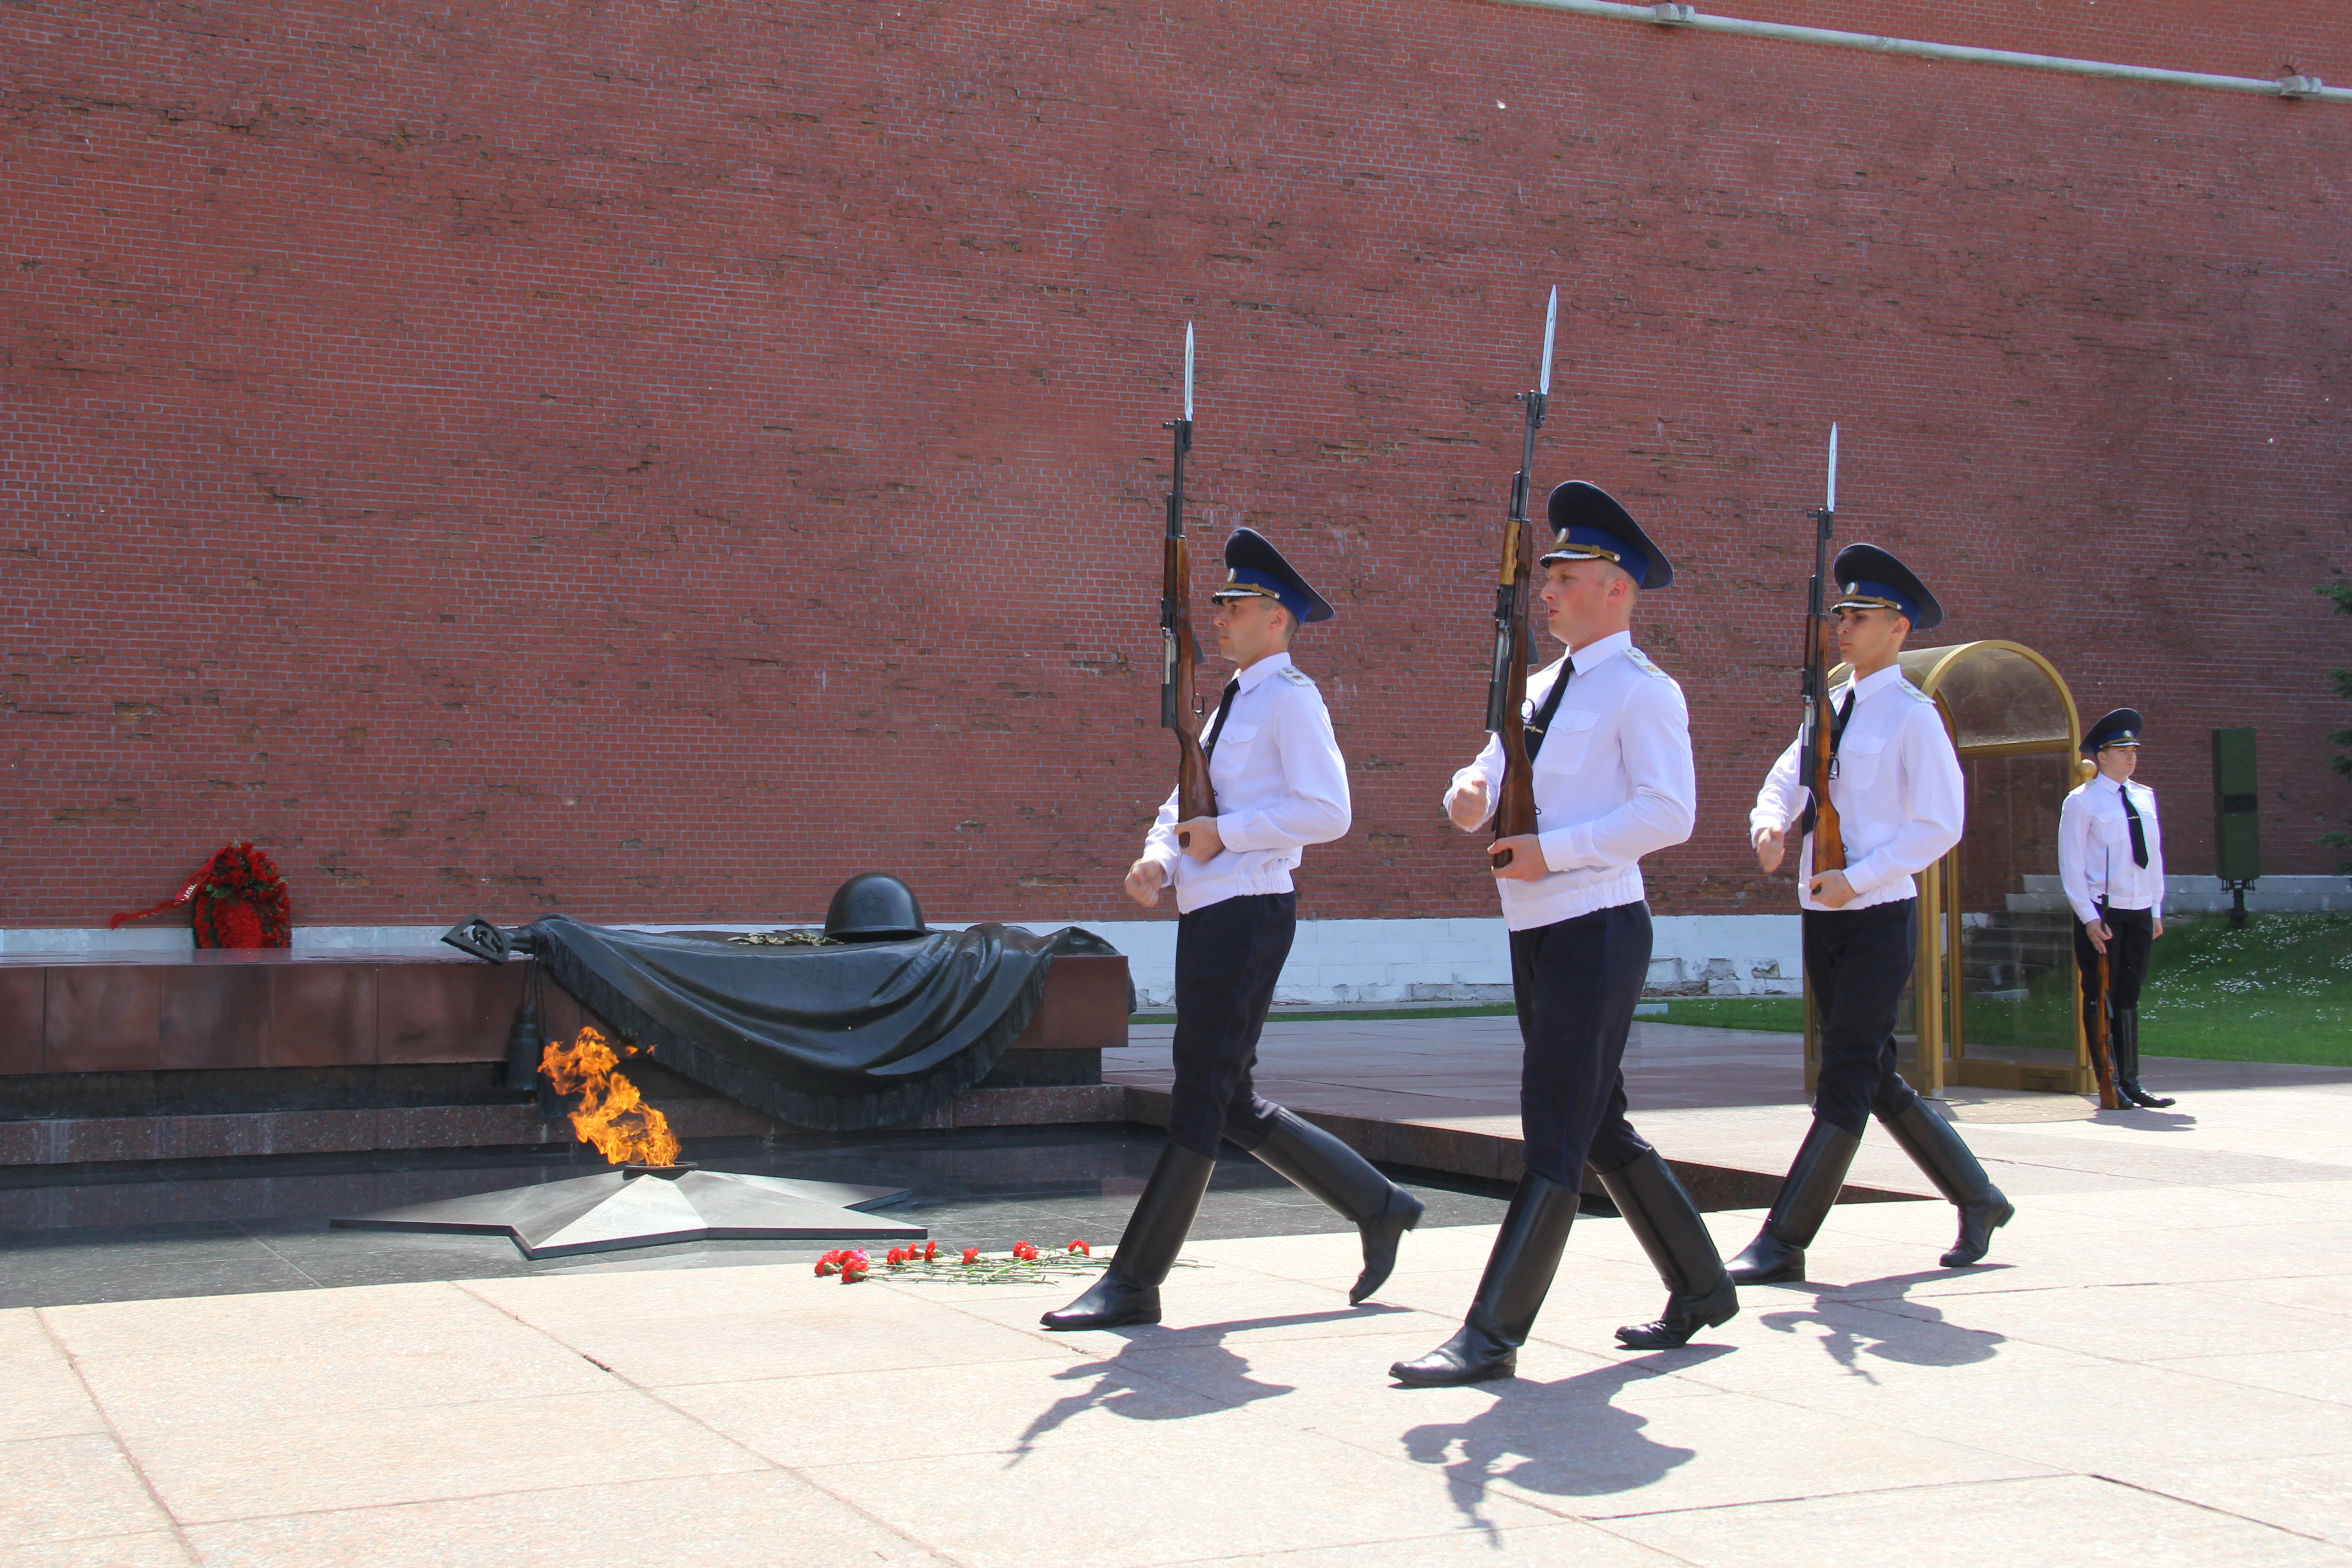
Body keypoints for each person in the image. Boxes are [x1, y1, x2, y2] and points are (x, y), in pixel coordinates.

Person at [1390, 481, 1735, 1388]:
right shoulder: (1538, 688)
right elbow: (1486, 778)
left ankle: (1491, 1333)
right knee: (1597, 1120)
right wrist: (1465, 797)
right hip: (1537, 927)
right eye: (1546, 579)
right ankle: (1703, 1285)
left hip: (1599, 927)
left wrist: (1559, 853)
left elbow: (1670, 812)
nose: (1547, 594)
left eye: (1566, 578)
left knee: (1553, 1126)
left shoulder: (1643, 691)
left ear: (1616, 588)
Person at [1043, 528, 1422, 1331]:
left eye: (1232, 603)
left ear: (1276, 618)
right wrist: (1158, 858)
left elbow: (1328, 811)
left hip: (1249, 912)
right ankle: (1377, 1204)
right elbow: (1186, 806)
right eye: (1216, 602)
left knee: (1198, 1095)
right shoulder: (1228, 705)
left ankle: (1135, 1280)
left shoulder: (1291, 699)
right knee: (1229, 1100)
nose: (1217, 615)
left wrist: (1230, 835)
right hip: (1210, 911)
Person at [1732, 544, 2012, 1285]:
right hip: (1821, 910)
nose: (1842, 627)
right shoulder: (1831, 705)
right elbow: (1789, 775)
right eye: (1840, 615)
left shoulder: (1913, 715)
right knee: (1873, 1072)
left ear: (1897, 627)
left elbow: (1938, 824)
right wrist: (1769, 822)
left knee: (1847, 1072)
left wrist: (1858, 879)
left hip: (1876, 914)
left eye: (1857, 616)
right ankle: (1978, 1198)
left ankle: (1783, 1238)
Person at [2061, 708, 2174, 1109]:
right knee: (2100, 994)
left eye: (2134, 750)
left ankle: (2131, 1080)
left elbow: (2154, 856)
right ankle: (2108, 1081)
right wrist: (2088, 919)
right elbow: (2072, 866)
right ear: (2101, 756)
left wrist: (2156, 907)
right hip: (2103, 912)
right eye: (2121, 749)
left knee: (2129, 994)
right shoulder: (2083, 802)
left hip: (2138, 908)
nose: (2131, 756)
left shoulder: (2144, 797)